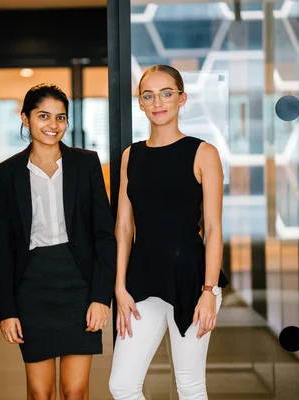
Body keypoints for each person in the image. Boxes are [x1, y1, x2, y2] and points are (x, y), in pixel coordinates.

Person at [108, 64, 229, 400]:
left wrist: (209, 291)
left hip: (192, 280)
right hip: (141, 282)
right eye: (148, 95)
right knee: (121, 385)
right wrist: (119, 286)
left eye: (166, 93)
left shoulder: (204, 153)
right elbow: (123, 225)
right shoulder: (131, 155)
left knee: (189, 386)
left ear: (181, 99)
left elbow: (215, 228)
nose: (157, 102)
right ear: (141, 103)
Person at [0, 83, 116, 399]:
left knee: (75, 391)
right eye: (43, 116)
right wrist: (6, 310)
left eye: (61, 117)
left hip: (78, 285)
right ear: (25, 119)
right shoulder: (8, 172)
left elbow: (104, 235)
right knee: (39, 392)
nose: (53, 125)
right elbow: (4, 249)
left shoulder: (86, 163)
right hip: (32, 289)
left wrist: (101, 298)